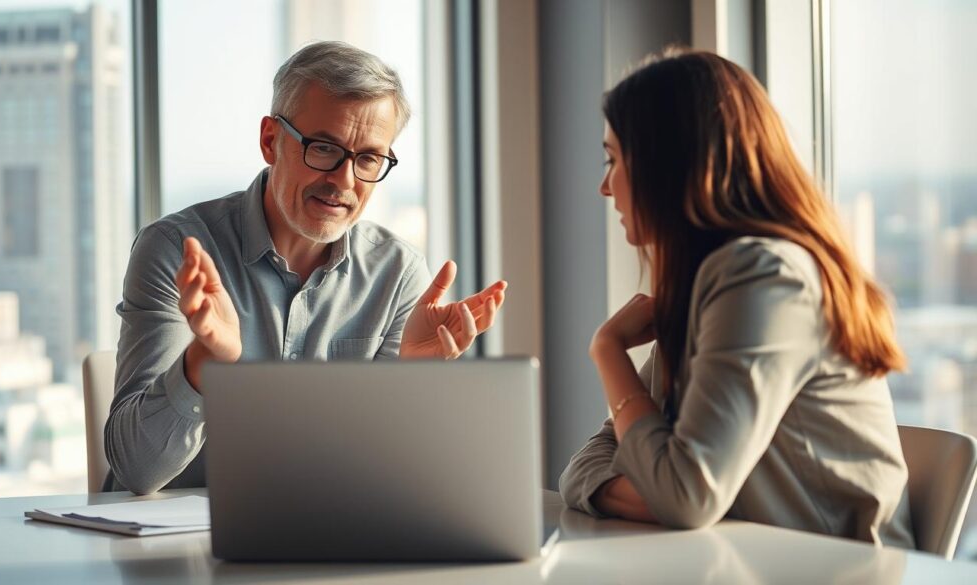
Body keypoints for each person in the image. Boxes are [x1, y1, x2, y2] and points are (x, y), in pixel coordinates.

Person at [105, 41, 507, 495]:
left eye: (369, 158)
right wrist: (204, 363)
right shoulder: (177, 250)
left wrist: (411, 388)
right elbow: (135, 471)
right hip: (178, 554)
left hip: (325, 548)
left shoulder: (398, 273)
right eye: (324, 148)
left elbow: (391, 484)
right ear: (271, 141)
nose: (344, 181)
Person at [559, 48, 914, 548]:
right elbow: (587, 466)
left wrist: (607, 348)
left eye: (614, 160)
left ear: (671, 163)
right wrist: (653, 490)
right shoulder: (712, 283)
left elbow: (683, 496)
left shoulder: (763, 278)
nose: (604, 186)